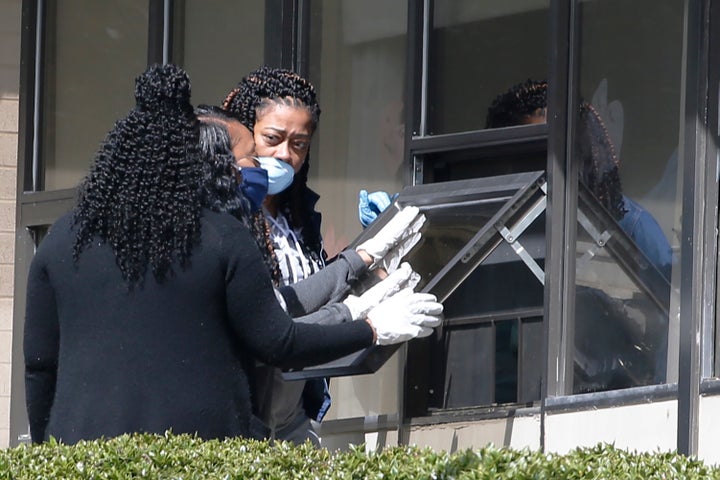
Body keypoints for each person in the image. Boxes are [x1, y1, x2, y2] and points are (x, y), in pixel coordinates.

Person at [23, 64, 443, 445]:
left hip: (81, 455)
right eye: (248, 160)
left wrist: (45, 452)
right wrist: (369, 327)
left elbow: (40, 366)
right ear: (205, 166)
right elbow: (279, 340)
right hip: (203, 453)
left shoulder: (61, 241)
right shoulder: (223, 238)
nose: (258, 169)